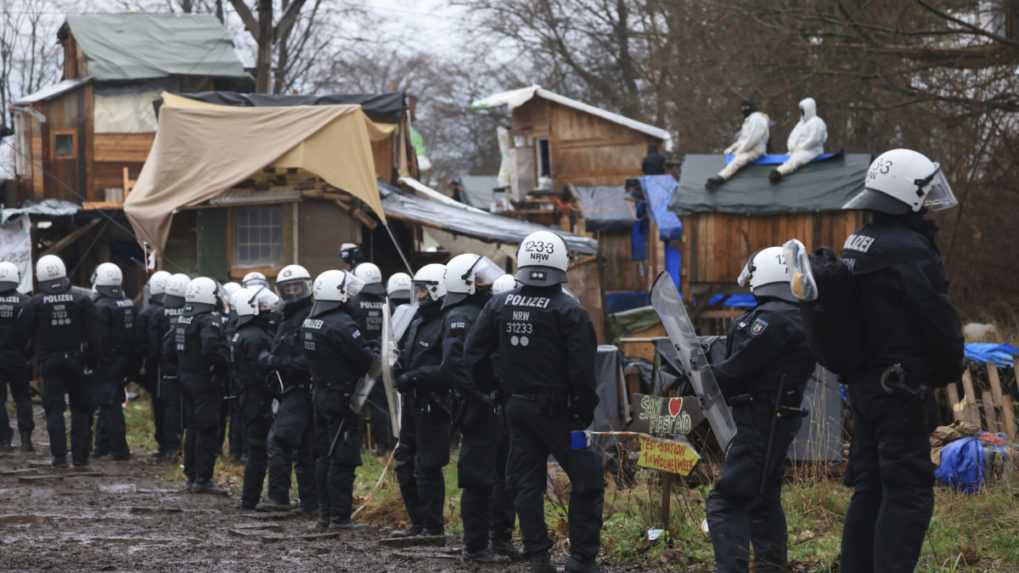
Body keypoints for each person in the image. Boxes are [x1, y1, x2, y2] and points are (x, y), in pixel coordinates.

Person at [782, 148, 964, 573]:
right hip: (900, 392)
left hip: (867, 388)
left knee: (871, 490)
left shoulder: (861, 241)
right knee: (908, 495)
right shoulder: (908, 248)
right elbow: (937, 320)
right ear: (906, 194)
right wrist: (945, 369)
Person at [464, 231, 603, 573]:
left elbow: (473, 354)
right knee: (588, 478)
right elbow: (583, 369)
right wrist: (582, 411)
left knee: (526, 483)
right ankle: (582, 559)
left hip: (517, 409)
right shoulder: (569, 311)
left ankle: (538, 558)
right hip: (560, 413)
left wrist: (493, 392)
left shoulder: (498, 304)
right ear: (560, 263)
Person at [704, 247, 815, 573]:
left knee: (726, 501)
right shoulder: (800, 316)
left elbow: (736, 373)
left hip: (759, 419)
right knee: (764, 500)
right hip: (779, 418)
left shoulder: (770, 321)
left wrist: (703, 372)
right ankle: (771, 567)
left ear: (763, 276)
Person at [439, 254, 517, 562]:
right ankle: (476, 546)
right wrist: (482, 394)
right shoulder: (462, 315)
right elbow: (454, 365)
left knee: (503, 474)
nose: (487, 281)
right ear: (466, 282)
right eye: (480, 277)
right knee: (478, 478)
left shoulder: (486, 308)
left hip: (496, 405)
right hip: (476, 408)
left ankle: (501, 539)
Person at [301, 269, 375, 530]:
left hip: (320, 393)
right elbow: (365, 359)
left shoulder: (311, 320)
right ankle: (340, 517)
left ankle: (324, 514)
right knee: (342, 457)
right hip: (341, 397)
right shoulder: (342, 324)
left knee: (324, 455)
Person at [391, 263, 450, 539]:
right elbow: (405, 353)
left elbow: (447, 368)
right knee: (404, 461)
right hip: (412, 403)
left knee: (428, 464)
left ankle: (433, 526)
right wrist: (398, 370)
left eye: (424, 291)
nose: (420, 296)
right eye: (418, 291)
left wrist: (415, 377)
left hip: (434, 403)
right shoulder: (417, 321)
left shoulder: (446, 322)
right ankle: (417, 521)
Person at [26, 254, 98, 467]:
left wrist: (34, 361)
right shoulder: (82, 299)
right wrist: (91, 361)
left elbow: (24, 336)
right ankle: (81, 458)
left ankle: (59, 457)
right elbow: (95, 335)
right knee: (81, 410)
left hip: (49, 364)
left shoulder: (36, 303)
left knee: (54, 409)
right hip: (78, 361)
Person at [263, 264, 318, 513]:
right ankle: (309, 502)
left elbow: (308, 360)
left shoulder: (309, 316)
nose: (293, 293)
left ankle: (279, 498)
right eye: (287, 288)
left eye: (297, 287)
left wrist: (275, 362)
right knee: (306, 447)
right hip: (290, 388)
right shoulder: (286, 316)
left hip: (301, 388)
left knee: (280, 440)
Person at [172, 277, 230, 493]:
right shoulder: (208, 319)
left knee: (193, 428)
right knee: (207, 429)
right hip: (205, 381)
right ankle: (203, 479)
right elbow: (211, 348)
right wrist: (224, 363)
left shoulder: (183, 317)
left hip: (185, 379)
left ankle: (191, 475)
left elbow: (168, 348)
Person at [232, 286, 280, 510]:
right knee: (258, 448)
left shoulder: (245, 333)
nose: (268, 309)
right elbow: (262, 370)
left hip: (249, 397)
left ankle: (250, 499)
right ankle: (250, 500)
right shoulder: (255, 337)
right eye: (263, 306)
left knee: (257, 448)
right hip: (258, 398)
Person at [90, 263, 138, 461]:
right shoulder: (127, 302)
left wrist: (93, 361)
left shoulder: (102, 306)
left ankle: (119, 449)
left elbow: (99, 340)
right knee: (108, 402)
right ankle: (101, 447)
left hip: (108, 362)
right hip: (124, 360)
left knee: (110, 406)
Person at [353, 262, 393, 454]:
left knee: (357, 401)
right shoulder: (388, 301)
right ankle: (384, 444)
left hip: (361, 356)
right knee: (382, 402)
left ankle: (359, 444)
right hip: (385, 355)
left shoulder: (354, 301)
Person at [149, 273, 190, 460]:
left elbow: (152, 343)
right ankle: (182, 445)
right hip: (188, 366)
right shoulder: (191, 313)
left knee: (166, 407)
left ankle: (169, 446)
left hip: (164, 368)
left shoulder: (159, 312)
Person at [136, 270, 171, 456]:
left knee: (160, 406)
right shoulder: (178, 310)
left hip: (155, 367)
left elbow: (142, 344)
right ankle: (173, 443)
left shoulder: (147, 313)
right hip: (175, 367)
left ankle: (165, 445)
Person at [0, 262, 33, 451]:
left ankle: (3, 440)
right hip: (19, 357)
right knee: (22, 398)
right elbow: (32, 333)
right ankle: (26, 441)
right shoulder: (25, 302)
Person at [706, 99, 770, 191]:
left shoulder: (757, 119)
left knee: (738, 161)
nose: (743, 110)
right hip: (748, 148)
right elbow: (743, 138)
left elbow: (753, 138)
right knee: (734, 157)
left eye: (745, 108)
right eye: (742, 108)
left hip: (755, 149)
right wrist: (733, 147)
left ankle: (720, 178)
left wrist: (741, 151)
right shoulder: (749, 120)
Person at [770, 97, 827, 184]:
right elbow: (792, 136)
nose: (801, 112)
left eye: (803, 110)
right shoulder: (800, 124)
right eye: (801, 110)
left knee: (796, 159)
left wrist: (801, 147)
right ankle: (777, 168)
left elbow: (815, 138)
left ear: (809, 109)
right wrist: (792, 147)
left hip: (811, 150)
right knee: (786, 157)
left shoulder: (817, 122)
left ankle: (780, 172)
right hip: (798, 150)